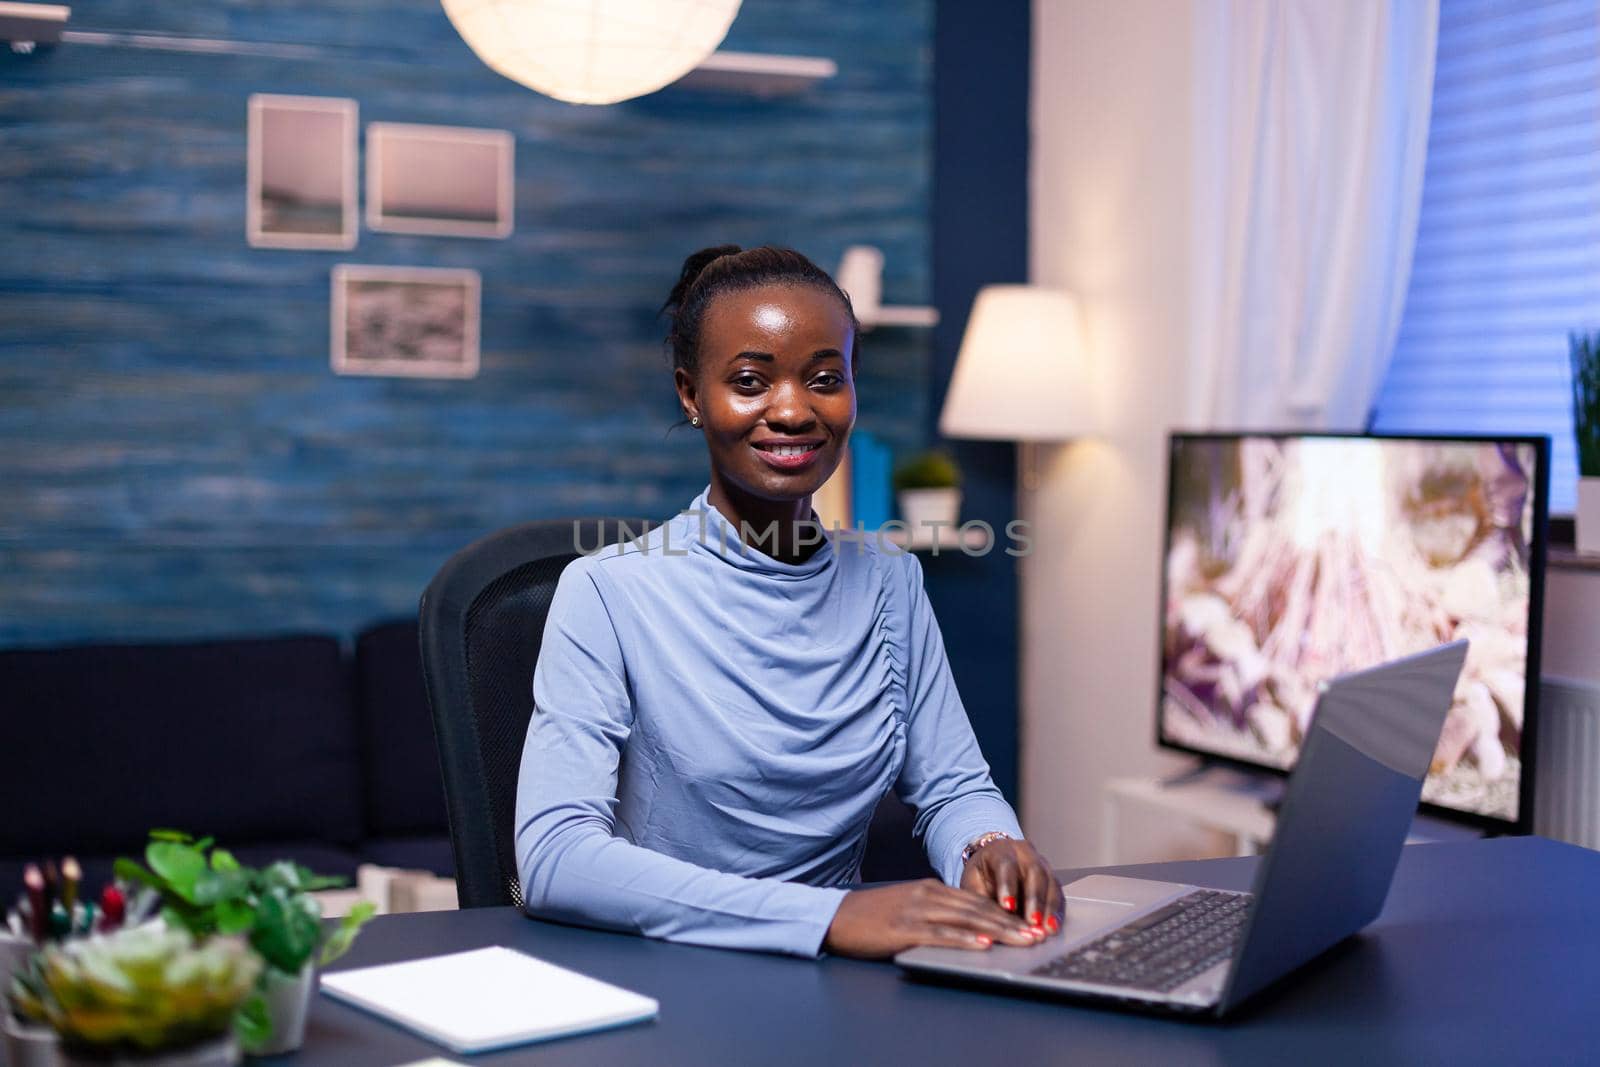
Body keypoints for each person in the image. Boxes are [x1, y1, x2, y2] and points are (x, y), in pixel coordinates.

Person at [514, 245, 1064, 958]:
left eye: (825, 379)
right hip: (671, 968)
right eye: (749, 380)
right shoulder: (608, 593)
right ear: (691, 394)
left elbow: (955, 786)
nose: (793, 410)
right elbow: (556, 856)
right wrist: (827, 919)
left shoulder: (890, 581)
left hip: (837, 982)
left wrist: (990, 844)